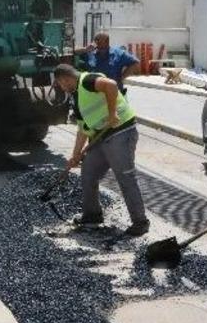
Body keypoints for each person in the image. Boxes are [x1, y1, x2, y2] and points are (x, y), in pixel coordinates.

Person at [53, 63, 149, 237]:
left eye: (59, 84)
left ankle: (140, 222)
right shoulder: (76, 96)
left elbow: (111, 85)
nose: (61, 87)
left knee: (125, 177)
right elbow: (83, 129)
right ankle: (92, 217)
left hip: (121, 132)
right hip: (101, 138)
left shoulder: (87, 81)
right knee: (88, 172)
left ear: (65, 79)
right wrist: (75, 155)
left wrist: (112, 113)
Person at [76, 32, 140, 94]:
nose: (98, 45)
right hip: (94, 93)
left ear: (107, 42)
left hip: (113, 92)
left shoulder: (118, 53)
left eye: (100, 42)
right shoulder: (89, 52)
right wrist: (85, 49)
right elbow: (72, 51)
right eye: (96, 42)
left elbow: (135, 62)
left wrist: (122, 77)